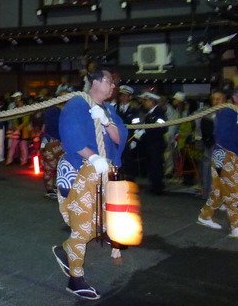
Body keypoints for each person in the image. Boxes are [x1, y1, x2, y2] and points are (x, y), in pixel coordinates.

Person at [52, 68, 128, 301]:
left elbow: (120, 137)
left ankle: (67, 251)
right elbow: (70, 135)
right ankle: (75, 279)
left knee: (99, 223)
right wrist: (92, 157)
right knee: (83, 227)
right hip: (79, 170)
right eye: (109, 80)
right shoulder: (77, 103)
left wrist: (105, 122)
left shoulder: (110, 110)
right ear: (94, 82)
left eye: (114, 82)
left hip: (102, 174)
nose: (113, 85)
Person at [197, 86, 238, 240]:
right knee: (231, 192)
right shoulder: (228, 112)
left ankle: (205, 216)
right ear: (235, 98)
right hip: (225, 155)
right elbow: (223, 137)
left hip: (225, 155)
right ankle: (235, 227)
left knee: (218, 190)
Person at [134, 92, 168, 194]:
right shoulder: (149, 113)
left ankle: (157, 187)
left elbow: (162, 128)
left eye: (146, 100)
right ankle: (154, 185)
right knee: (151, 166)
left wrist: (145, 132)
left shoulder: (159, 112)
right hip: (150, 144)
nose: (144, 103)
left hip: (156, 144)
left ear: (152, 101)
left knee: (156, 166)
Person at [199, 90, 226, 199]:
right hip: (212, 147)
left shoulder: (229, 115)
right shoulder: (208, 115)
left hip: (226, 148)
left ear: (224, 100)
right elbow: (205, 131)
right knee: (209, 170)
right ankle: (209, 193)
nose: (215, 101)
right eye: (214, 99)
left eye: (218, 99)